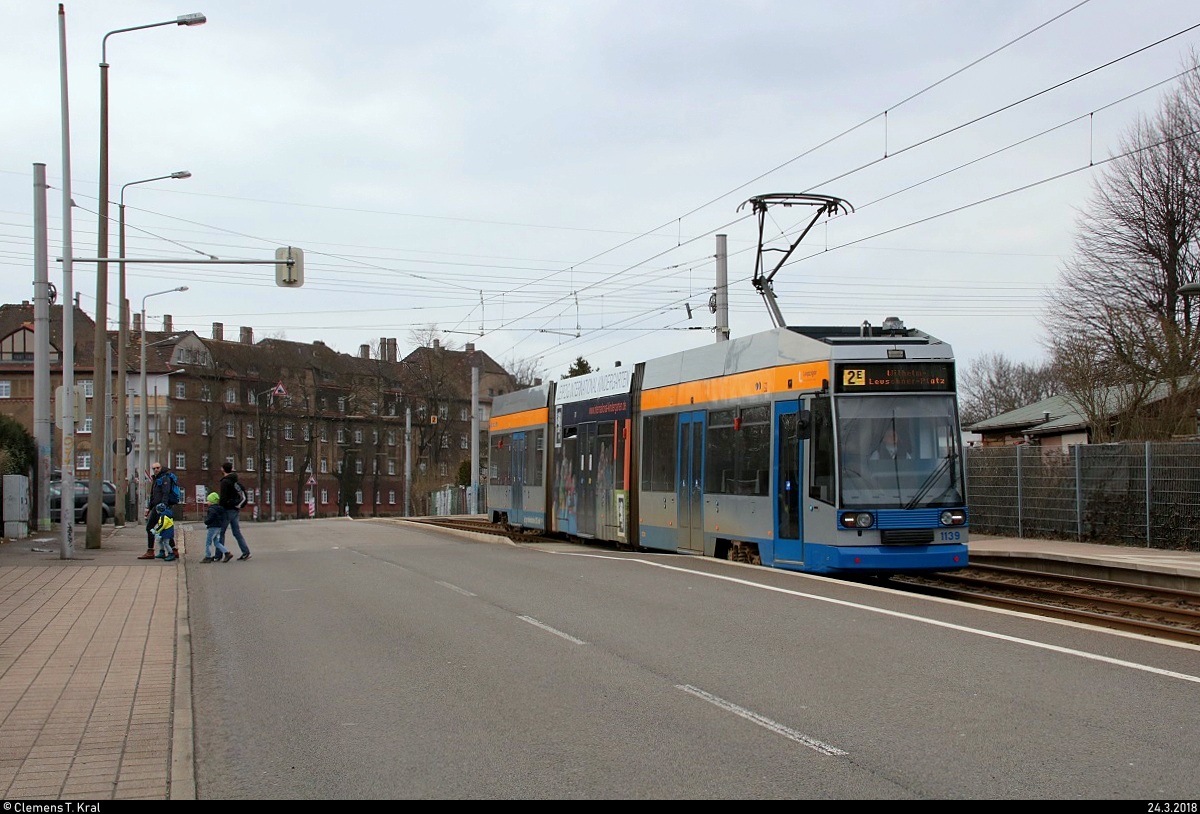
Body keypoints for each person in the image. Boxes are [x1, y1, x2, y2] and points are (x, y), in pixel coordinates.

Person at [140, 462, 178, 560]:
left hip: (161, 508)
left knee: (151, 527)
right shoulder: (156, 479)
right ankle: (173, 550)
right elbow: (153, 495)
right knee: (164, 529)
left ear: (161, 468)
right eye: (154, 468)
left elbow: (166, 493)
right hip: (156, 507)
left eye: (157, 468)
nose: (156, 469)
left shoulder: (164, 478)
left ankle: (151, 551)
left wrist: (163, 507)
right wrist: (149, 508)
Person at [218, 461, 251, 560]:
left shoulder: (225, 482)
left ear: (223, 469)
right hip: (235, 509)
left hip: (227, 510)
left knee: (221, 532)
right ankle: (245, 552)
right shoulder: (235, 481)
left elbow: (223, 498)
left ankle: (219, 554)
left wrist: (220, 508)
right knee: (236, 532)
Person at [202, 492, 232, 563]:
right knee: (216, 542)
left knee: (208, 542)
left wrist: (206, 521)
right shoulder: (220, 508)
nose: (207, 502)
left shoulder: (211, 509)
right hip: (219, 527)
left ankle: (208, 556)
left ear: (212, 501)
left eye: (208, 501)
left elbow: (210, 518)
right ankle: (227, 553)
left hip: (212, 527)